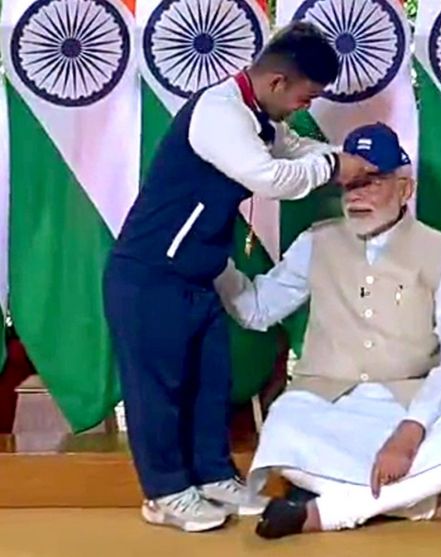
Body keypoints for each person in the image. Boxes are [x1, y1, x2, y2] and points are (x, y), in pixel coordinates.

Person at [103, 22, 376, 533]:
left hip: (199, 272)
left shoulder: (259, 115)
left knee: (210, 384)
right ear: (276, 82)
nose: (304, 108)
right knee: (157, 391)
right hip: (149, 276)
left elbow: (291, 149)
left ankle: (212, 476)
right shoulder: (219, 113)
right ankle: (164, 494)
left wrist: (342, 160)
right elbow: (269, 178)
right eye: (305, 97)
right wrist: (333, 166)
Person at [215, 123, 441, 539]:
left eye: (372, 183)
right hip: (327, 401)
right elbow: (257, 310)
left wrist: (411, 432)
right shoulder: (316, 242)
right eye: (350, 185)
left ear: (404, 189)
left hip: (412, 399)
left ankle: (322, 513)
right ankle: (430, 505)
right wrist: (215, 265)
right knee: (285, 429)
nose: (356, 196)